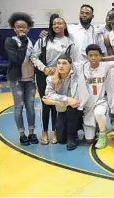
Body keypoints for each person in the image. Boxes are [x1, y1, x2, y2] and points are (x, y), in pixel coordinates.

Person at [31, 13, 76, 145]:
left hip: (60, 74)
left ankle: (55, 130)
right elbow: (34, 57)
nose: (56, 25)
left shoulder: (69, 42)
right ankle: (44, 131)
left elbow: (70, 61)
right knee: (45, 103)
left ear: (64, 25)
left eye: (59, 23)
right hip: (43, 74)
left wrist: (57, 71)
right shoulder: (43, 40)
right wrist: (44, 68)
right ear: (51, 26)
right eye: (54, 23)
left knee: (56, 102)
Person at [4, 12, 38, 145]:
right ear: (14, 28)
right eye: (18, 27)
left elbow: (36, 59)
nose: (21, 29)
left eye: (24, 27)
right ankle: (22, 134)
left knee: (30, 106)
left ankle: (31, 133)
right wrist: (23, 41)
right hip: (17, 80)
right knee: (18, 107)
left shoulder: (33, 42)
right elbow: (17, 59)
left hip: (30, 79)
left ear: (28, 29)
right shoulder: (10, 41)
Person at [42, 55, 87, 150]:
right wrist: (66, 99)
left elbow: (83, 62)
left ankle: (72, 138)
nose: (61, 66)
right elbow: (48, 96)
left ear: (70, 65)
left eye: (64, 63)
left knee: (71, 110)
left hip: (78, 108)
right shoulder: (50, 79)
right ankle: (74, 129)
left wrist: (61, 101)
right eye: (58, 63)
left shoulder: (77, 75)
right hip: (63, 108)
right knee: (61, 139)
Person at [79, 44, 114, 148]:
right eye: (90, 55)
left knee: (99, 113)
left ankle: (102, 133)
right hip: (88, 104)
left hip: (101, 100)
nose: (93, 58)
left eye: (96, 55)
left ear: (100, 56)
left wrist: (104, 59)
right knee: (89, 140)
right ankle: (94, 128)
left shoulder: (106, 65)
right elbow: (65, 65)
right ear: (87, 56)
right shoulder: (81, 66)